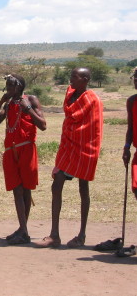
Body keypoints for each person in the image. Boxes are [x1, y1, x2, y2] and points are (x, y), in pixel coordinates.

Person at [36, 67, 103, 248]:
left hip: (85, 148)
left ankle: (81, 235)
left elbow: (94, 127)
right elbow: (69, 118)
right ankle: (54, 235)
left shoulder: (92, 99)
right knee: (57, 183)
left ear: (85, 79)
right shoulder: (71, 94)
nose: (71, 79)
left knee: (83, 188)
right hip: (68, 146)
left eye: (75, 77)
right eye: (71, 76)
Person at [0, 74, 46, 245]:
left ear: (19, 86)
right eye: (6, 86)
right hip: (10, 150)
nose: (8, 89)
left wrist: (28, 108)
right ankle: (23, 230)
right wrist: (1, 102)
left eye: (10, 86)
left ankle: (23, 230)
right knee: (17, 189)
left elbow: (43, 125)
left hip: (27, 148)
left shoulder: (31, 100)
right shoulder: (8, 105)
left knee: (26, 189)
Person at [122, 67, 137, 222]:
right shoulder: (132, 101)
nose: (136, 80)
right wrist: (127, 147)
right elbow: (131, 128)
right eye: (135, 77)